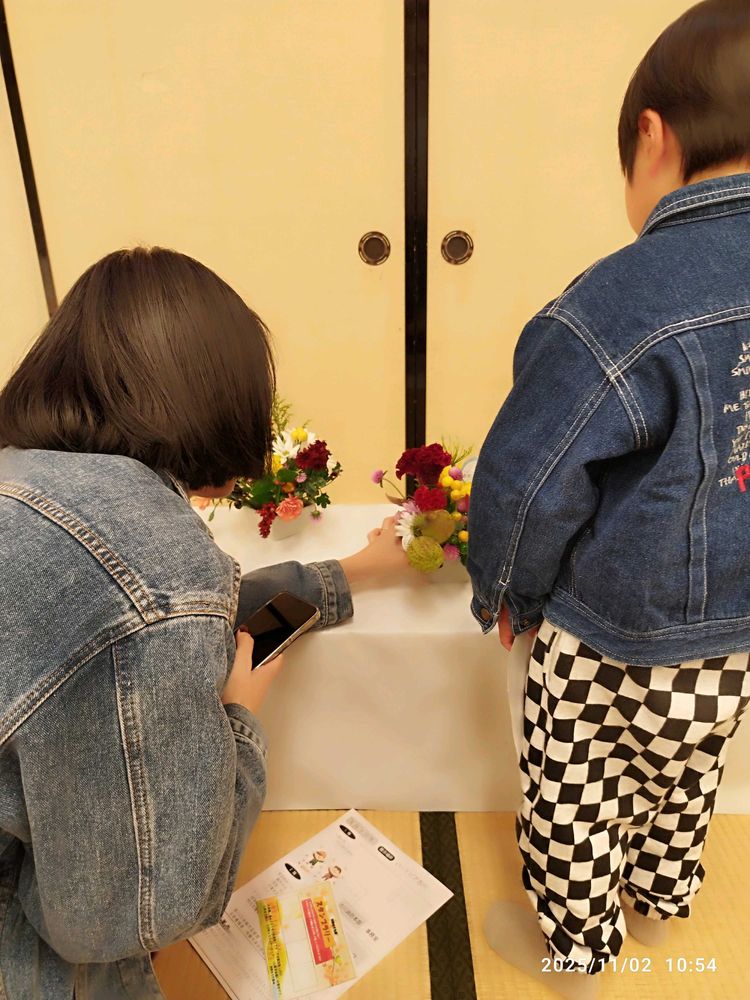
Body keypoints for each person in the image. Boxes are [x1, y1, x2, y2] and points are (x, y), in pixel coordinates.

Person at [0, 246, 405, 999]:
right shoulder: (157, 574)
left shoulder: (28, 480)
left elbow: (165, 610)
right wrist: (239, 724)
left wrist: (353, 571)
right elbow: (135, 913)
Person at [467, 1, 750, 995]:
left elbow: (527, 481)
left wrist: (506, 589)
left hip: (612, 633)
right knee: (690, 766)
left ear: (652, 136)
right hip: (736, 635)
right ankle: (662, 903)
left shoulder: (618, 301)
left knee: (576, 793)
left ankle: (579, 956)